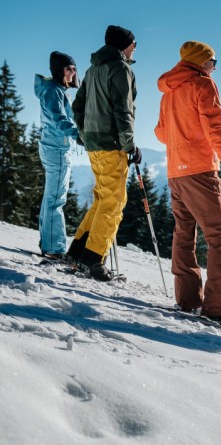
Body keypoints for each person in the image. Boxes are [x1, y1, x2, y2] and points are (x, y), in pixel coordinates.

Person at [154, 40, 221, 326]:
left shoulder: (169, 91)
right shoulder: (202, 84)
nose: (215, 67)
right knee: (219, 236)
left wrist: (181, 133)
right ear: (200, 61)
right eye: (213, 61)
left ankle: (188, 300)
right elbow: (215, 128)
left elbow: (161, 133)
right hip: (199, 169)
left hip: (175, 172)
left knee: (184, 233)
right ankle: (217, 309)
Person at [66, 25, 139, 281]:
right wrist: (129, 144)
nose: (135, 48)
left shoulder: (93, 69)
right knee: (113, 203)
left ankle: (78, 252)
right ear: (123, 45)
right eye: (133, 43)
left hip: (94, 144)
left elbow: (78, 105)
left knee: (101, 199)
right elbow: (123, 110)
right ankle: (93, 258)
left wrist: (84, 133)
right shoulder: (120, 69)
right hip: (111, 144)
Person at [35, 51, 80, 259]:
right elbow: (58, 118)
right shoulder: (53, 91)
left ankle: (48, 242)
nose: (72, 72)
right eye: (68, 68)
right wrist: (78, 135)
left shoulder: (58, 90)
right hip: (57, 149)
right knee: (56, 198)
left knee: (51, 196)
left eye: (74, 69)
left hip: (54, 146)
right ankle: (54, 248)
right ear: (58, 70)